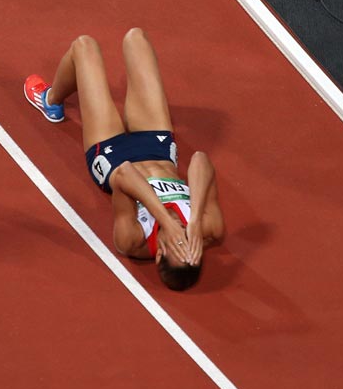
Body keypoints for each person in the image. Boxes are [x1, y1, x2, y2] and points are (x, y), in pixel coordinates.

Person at [23, 28, 225, 291]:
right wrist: (195, 220)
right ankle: (124, 104)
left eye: (177, 243)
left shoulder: (132, 240)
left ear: (160, 254)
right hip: (159, 150)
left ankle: (50, 100)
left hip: (110, 152)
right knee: (136, 38)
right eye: (188, 240)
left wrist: (163, 219)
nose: (182, 234)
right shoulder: (208, 229)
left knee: (84, 47)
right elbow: (200, 160)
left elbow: (125, 173)